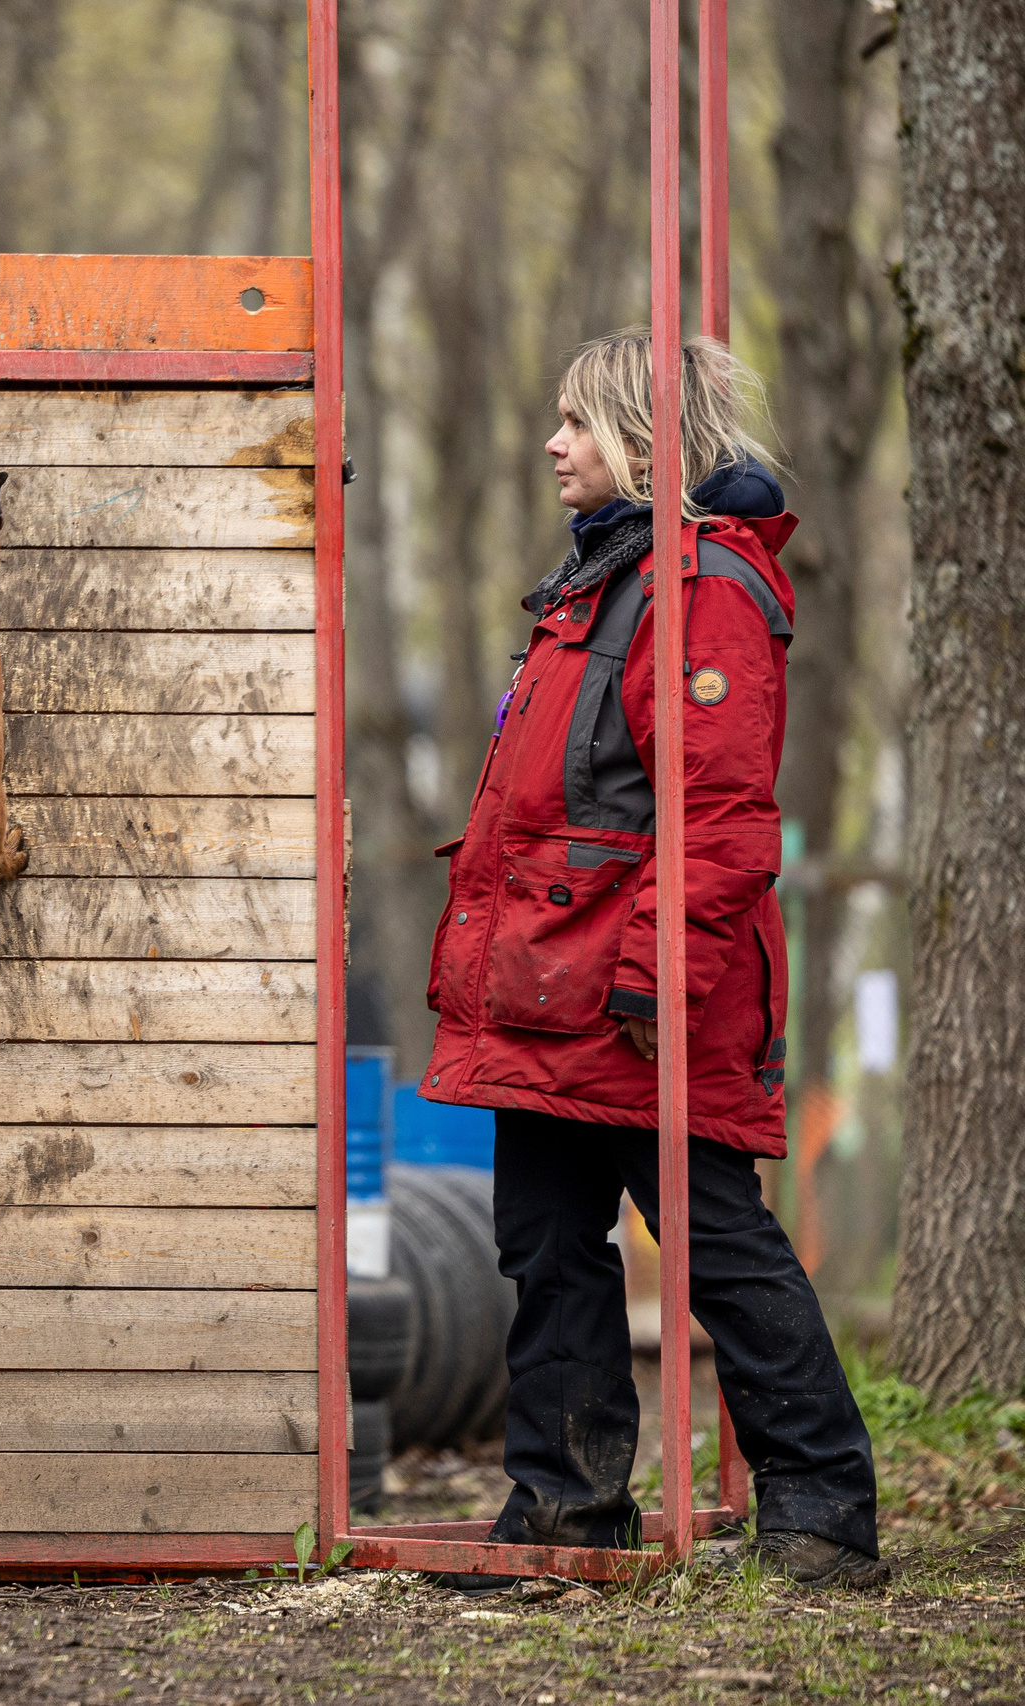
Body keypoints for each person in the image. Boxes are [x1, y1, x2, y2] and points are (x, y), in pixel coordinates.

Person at [417, 329, 887, 1591]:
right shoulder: (598, 584)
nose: (552, 446)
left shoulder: (704, 587)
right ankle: (565, 1509)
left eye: (576, 422)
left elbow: (721, 819)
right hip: (547, 988)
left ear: (639, 435)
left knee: (715, 1242)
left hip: (629, 998)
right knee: (543, 1243)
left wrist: (650, 981)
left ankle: (825, 1506)